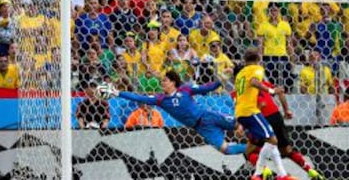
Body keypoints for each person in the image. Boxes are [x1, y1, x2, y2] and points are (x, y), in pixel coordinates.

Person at [105, 70, 246, 155]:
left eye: (165, 81)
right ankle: (256, 149)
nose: (162, 83)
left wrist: (223, 78)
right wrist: (117, 92)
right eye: (162, 81)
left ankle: (264, 140)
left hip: (208, 116)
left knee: (243, 124)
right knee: (226, 150)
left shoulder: (185, 89)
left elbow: (206, 88)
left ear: (173, 82)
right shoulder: (161, 99)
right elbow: (138, 97)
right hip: (202, 128)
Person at [231, 64, 324, 180]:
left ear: (237, 77)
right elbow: (279, 92)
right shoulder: (263, 84)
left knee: (249, 151)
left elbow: (252, 106)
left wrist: (240, 126)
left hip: (262, 119)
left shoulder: (238, 91)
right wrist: (287, 110)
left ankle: (264, 171)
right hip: (276, 116)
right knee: (287, 151)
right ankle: (311, 171)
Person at [234, 48, 297, 180]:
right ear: (258, 60)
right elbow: (254, 82)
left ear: (245, 61)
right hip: (251, 111)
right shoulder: (256, 69)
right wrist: (271, 91)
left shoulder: (240, 74)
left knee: (266, 143)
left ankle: (281, 174)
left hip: (241, 112)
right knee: (273, 140)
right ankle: (259, 174)